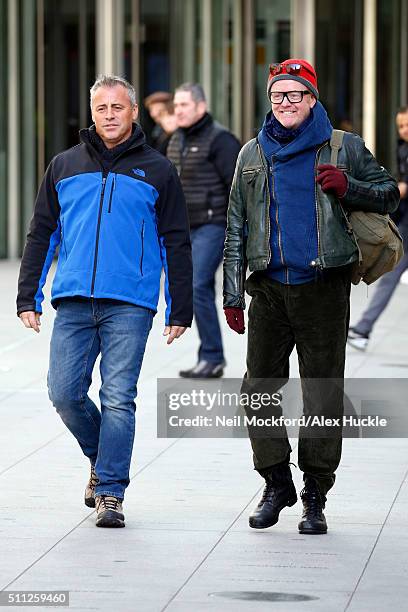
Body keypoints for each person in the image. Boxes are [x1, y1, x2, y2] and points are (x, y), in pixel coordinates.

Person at [223, 59, 399, 534]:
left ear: (311, 99)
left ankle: (316, 494)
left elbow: (389, 196)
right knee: (257, 389)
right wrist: (231, 292)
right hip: (268, 289)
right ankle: (276, 479)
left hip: (324, 289)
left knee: (321, 393)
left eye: (294, 95)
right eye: (277, 95)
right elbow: (237, 223)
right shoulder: (252, 153)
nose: (285, 103)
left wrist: (352, 187)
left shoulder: (344, 147)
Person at [17, 75, 193, 529]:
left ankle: (110, 491)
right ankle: (102, 458)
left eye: (118, 107)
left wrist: (180, 306)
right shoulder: (63, 165)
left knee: (118, 397)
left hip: (130, 304)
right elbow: (41, 234)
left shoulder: (157, 170)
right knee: (64, 393)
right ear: (91, 113)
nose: (110, 115)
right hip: (73, 300)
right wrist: (27, 295)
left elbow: (176, 241)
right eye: (102, 108)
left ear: (133, 112)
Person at [167, 82, 241, 378]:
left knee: (197, 284)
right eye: (176, 105)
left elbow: (238, 188)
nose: (179, 111)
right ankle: (211, 356)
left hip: (213, 224)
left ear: (201, 106)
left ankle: (211, 356)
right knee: (194, 287)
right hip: (185, 227)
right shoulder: (176, 140)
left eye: (184, 105)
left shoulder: (220, 140)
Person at [348, 106, 408, 351]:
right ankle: (363, 329)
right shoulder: (403, 149)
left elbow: (401, 188)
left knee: (390, 277)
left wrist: (371, 194)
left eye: (407, 125)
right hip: (406, 223)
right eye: (400, 126)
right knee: (390, 276)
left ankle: (363, 329)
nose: (404, 130)